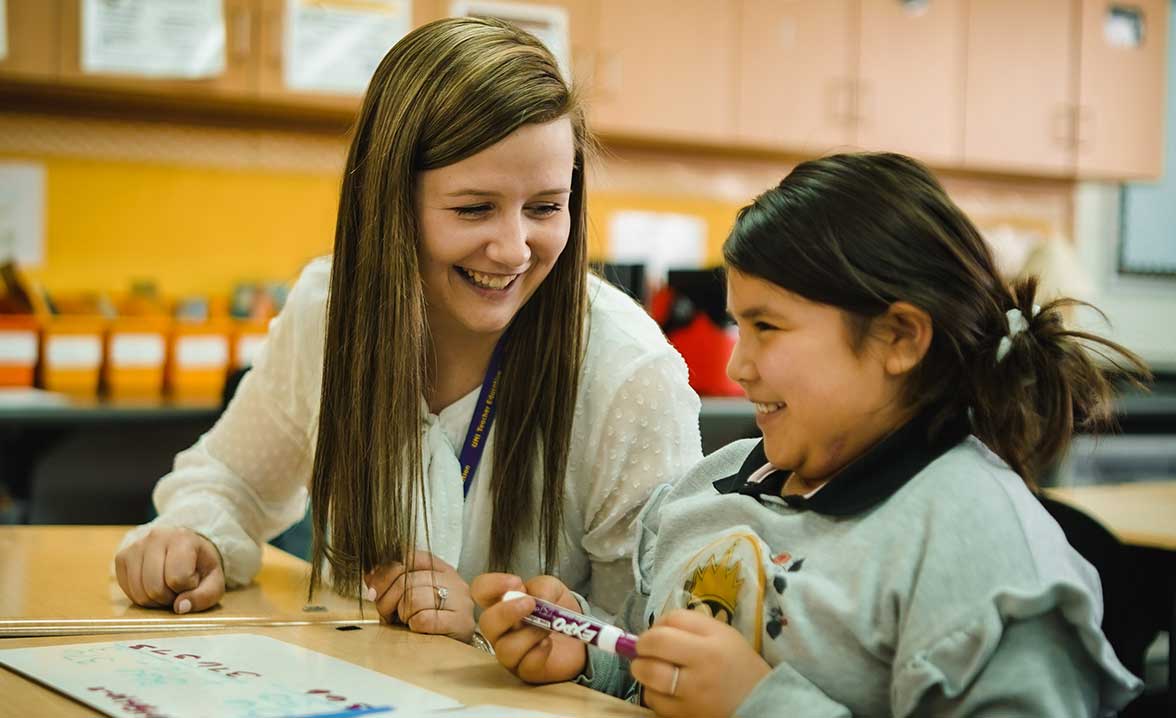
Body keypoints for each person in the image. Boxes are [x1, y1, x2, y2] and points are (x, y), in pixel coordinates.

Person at [473, 152, 1148, 716]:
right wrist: (589, 652)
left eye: (767, 327)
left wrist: (760, 704)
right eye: (740, 326)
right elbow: (656, 671)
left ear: (899, 337)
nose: (737, 366)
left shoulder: (983, 554)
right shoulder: (710, 488)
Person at [114, 17, 702, 645]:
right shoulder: (330, 308)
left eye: (545, 207)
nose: (512, 249)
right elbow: (229, 479)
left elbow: (658, 637)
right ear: (389, 203)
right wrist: (193, 535)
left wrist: (486, 624)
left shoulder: (630, 372)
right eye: (474, 208)